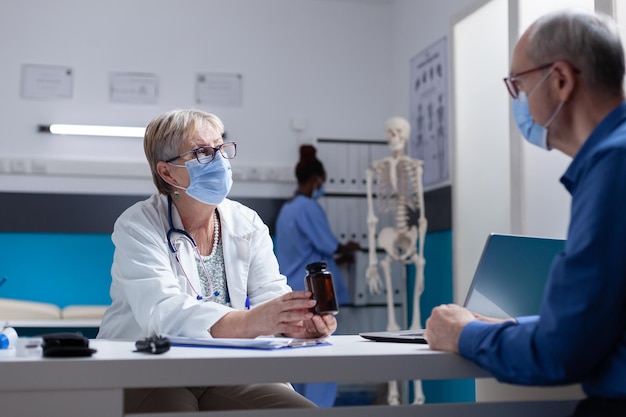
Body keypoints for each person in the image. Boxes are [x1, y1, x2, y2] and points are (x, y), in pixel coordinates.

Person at [424, 9, 626, 417]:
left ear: (561, 80)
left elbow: (561, 353)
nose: (517, 100)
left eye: (518, 84)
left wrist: (466, 334)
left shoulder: (613, 165)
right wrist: (511, 327)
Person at [97, 109, 337, 412]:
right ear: (167, 173)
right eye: (202, 153)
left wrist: (296, 323)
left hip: (225, 367)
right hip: (150, 367)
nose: (220, 161)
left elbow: (271, 294)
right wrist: (252, 321)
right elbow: (163, 315)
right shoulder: (138, 225)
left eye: (221, 148)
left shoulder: (246, 222)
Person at [274, 144, 359, 407]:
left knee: (296, 362)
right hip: (315, 295)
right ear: (316, 180)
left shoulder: (286, 210)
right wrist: (350, 248)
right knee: (321, 358)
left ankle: (297, 408)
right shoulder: (307, 208)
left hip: (290, 290)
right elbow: (328, 245)